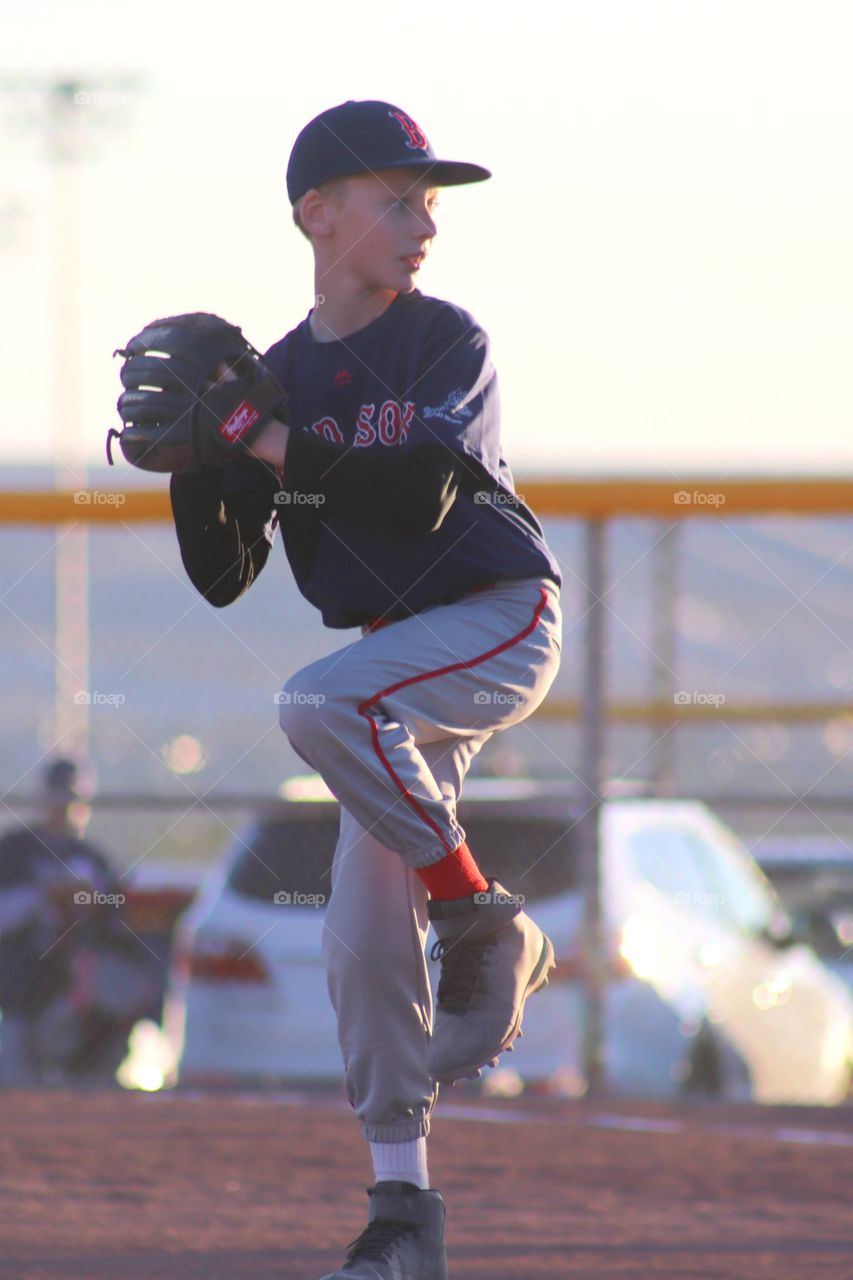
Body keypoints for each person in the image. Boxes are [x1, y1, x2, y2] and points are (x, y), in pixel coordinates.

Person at [169, 99, 563, 1279]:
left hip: (495, 616)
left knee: (318, 705)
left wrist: (257, 433)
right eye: (399, 199)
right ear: (316, 213)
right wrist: (202, 456)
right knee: (355, 937)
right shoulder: (277, 379)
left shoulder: (444, 338)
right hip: (393, 661)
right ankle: (404, 1213)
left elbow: (424, 493)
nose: (423, 224)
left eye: (429, 203)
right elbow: (225, 572)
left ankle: (480, 913)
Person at [0, 757, 144, 1085]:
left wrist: (89, 904)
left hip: (76, 1008)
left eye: (74, 797)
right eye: (58, 794)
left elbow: (119, 934)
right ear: (43, 796)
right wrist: (42, 897)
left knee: (76, 1097)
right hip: (17, 995)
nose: (65, 806)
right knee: (16, 1089)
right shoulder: (13, 851)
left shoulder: (95, 861)